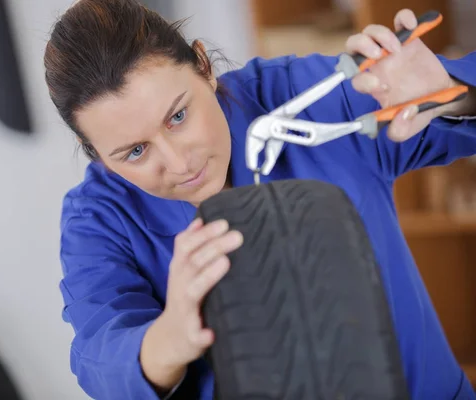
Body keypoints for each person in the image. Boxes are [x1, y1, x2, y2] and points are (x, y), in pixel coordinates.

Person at [43, 0, 476, 398]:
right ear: (97, 154)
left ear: (203, 65)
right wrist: (169, 338)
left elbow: (441, 116)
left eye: (178, 116)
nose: (178, 163)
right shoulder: (98, 220)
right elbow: (100, 355)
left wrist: (452, 93)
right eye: (135, 152)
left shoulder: (302, 97)